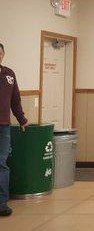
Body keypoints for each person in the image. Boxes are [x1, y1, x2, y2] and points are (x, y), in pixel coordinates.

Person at [0, 43, 29, 217]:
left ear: (3, 54)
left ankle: (2, 203)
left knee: (2, 164)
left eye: (0, 53)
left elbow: (15, 100)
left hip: (3, 126)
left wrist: (22, 119)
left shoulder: (9, 74)